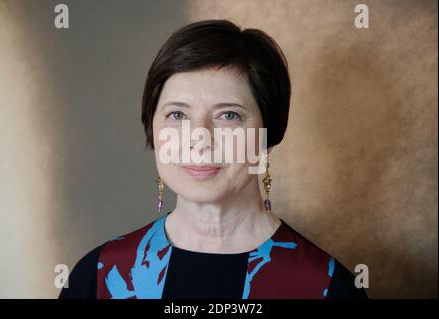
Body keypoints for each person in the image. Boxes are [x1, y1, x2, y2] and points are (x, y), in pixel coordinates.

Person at [59, 19, 369, 299]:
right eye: (177, 114)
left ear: (267, 132)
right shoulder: (97, 277)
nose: (200, 139)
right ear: (152, 127)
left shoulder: (327, 287)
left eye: (228, 115)